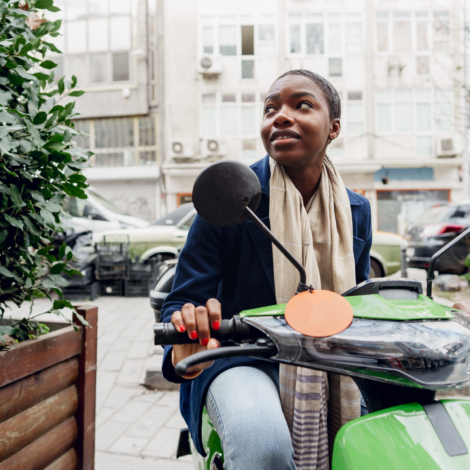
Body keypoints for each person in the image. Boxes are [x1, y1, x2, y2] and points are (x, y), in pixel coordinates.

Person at [160, 69, 370, 469]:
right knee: (264, 447)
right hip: (240, 357)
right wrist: (185, 344)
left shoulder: (357, 210)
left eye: (302, 104)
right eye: (270, 108)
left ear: (334, 128)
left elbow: (356, 304)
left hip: (331, 360)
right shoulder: (229, 196)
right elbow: (182, 301)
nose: (281, 116)